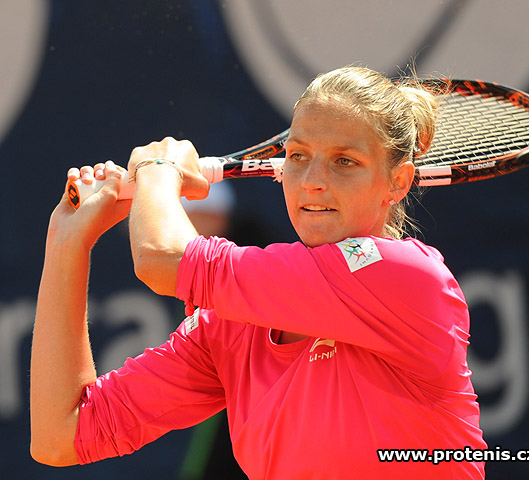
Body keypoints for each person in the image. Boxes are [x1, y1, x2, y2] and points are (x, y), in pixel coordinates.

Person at [30, 66, 486, 478]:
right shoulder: (231, 326)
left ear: (398, 182)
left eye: (345, 161)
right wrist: (67, 243)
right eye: (299, 155)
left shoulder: (406, 275)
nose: (313, 181)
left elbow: (162, 258)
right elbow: (62, 435)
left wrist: (157, 169)